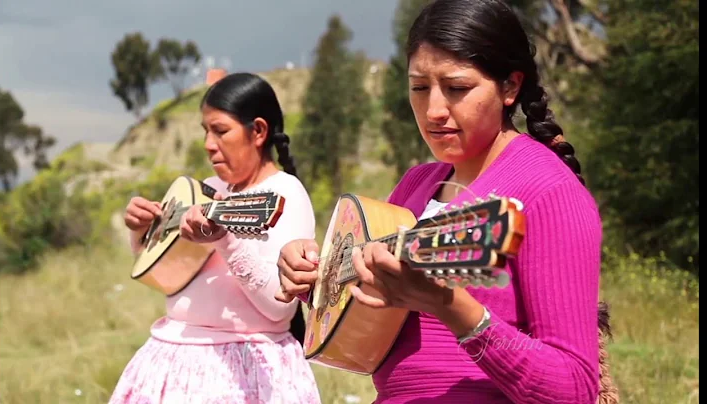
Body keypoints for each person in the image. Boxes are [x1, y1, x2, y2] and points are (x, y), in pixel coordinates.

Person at [275, 0, 617, 403]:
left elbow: (573, 388)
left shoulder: (548, 193)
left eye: (457, 88)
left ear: (509, 86)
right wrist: (317, 281)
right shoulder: (416, 186)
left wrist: (454, 307)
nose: (434, 110)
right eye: (419, 88)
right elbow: (371, 333)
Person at [110, 71, 322, 404]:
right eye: (206, 131)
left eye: (221, 131)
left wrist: (226, 240)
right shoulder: (208, 189)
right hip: (171, 360)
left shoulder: (284, 194)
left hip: (242, 373)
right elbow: (168, 273)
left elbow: (279, 308)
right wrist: (141, 231)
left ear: (258, 131)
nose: (209, 144)